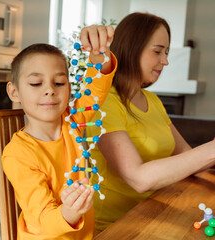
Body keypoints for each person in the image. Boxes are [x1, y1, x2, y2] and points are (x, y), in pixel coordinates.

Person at [85, 12, 215, 232]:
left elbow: (185, 154)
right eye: (157, 51)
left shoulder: (153, 101)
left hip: (155, 212)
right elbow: (138, 178)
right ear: (131, 48)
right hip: (114, 228)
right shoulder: (103, 103)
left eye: (166, 52)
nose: (164, 61)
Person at [2, 25, 117, 239]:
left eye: (59, 82)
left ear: (68, 90)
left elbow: (97, 88)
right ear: (14, 92)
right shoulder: (18, 154)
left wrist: (100, 52)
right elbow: (43, 220)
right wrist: (71, 210)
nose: (50, 90)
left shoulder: (73, 121)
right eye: (36, 83)